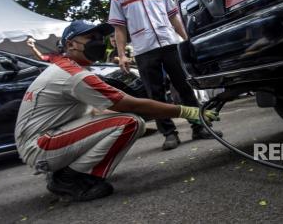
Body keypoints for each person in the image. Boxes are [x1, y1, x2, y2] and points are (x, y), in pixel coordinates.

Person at [15, 20, 219, 201]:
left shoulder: (64, 68)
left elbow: (98, 113)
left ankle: (64, 169)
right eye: (91, 38)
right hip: (40, 146)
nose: (99, 42)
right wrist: (187, 111)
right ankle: (69, 179)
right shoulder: (74, 75)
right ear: (70, 45)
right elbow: (132, 105)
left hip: (40, 141)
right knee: (130, 122)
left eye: (100, 38)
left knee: (118, 118)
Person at [108, 0, 222, 150]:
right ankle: (169, 133)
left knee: (185, 87)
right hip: (144, 50)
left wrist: (186, 39)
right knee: (155, 94)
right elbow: (119, 28)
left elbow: (174, 17)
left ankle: (200, 126)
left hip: (170, 45)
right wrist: (122, 54)